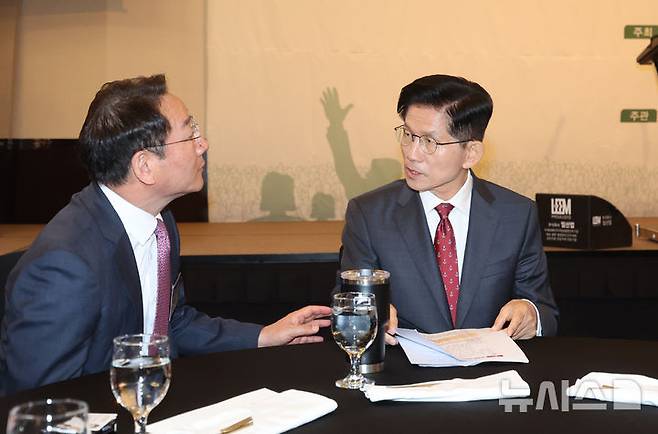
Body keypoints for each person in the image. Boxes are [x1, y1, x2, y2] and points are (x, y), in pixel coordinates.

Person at [0, 74, 330, 394]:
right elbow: (43, 402)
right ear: (145, 166)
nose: (203, 145)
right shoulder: (65, 265)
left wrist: (265, 335)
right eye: (190, 134)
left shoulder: (159, 224)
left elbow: (170, 323)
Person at [340, 74, 558, 344]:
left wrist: (530, 314)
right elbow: (348, 301)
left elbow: (544, 309)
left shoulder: (516, 215)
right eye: (408, 135)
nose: (411, 153)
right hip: (402, 367)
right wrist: (367, 314)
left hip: (491, 367)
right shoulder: (369, 214)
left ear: (471, 153)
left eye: (429, 142)